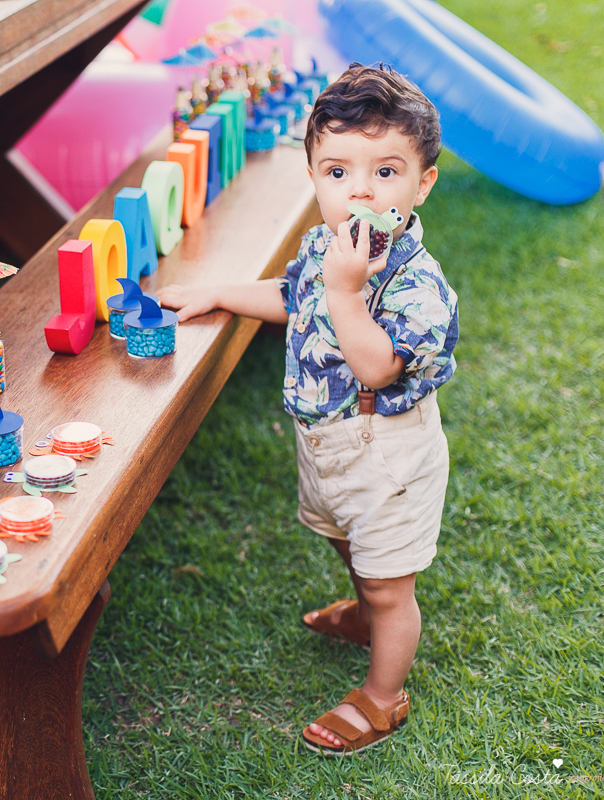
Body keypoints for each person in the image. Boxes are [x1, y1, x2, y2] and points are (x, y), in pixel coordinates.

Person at [156, 63, 459, 755]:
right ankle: (365, 610)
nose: (360, 190)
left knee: (392, 584)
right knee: (345, 539)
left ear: (422, 183)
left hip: (387, 452)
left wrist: (346, 292)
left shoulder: (418, 284)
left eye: (386, 172)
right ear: (315, 177)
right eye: (338, 171)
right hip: (326, 440)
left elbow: (376, 365)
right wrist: (222, 293)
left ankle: (383, 697)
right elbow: (293, 295)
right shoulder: (325, 245)